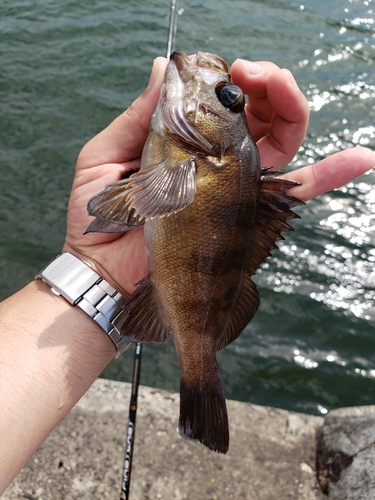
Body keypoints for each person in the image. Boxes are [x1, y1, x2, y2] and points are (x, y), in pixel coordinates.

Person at [0, 56, 373, 493]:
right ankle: (200, 381)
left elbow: (114, 208)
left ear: (223, 137)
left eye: (226, 97)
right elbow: (117, 208)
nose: (202, 77)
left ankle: (199, 381)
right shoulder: (196, 156)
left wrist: (95, 264)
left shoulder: (199, 161)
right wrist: (94, 264)